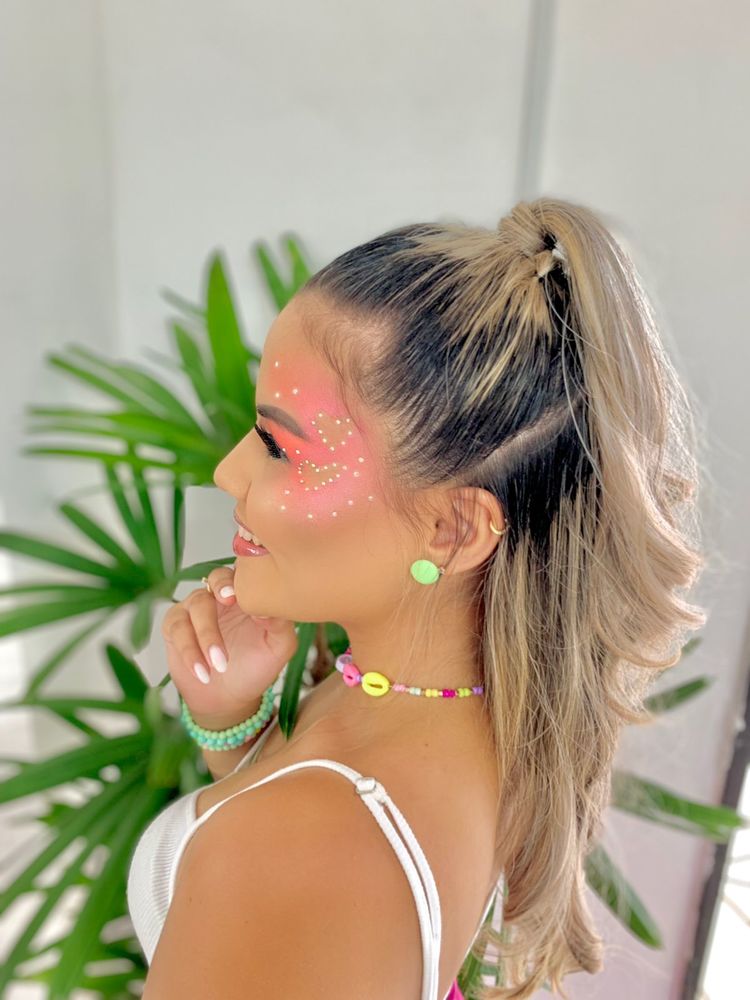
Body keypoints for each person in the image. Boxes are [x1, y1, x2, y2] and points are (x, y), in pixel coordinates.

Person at [127, 197, 706, 999]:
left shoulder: (301, 849)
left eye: (277, 445)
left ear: (452, 529)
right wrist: (233, 722)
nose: (229, 472)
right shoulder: (462, 708)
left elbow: (299, 853)